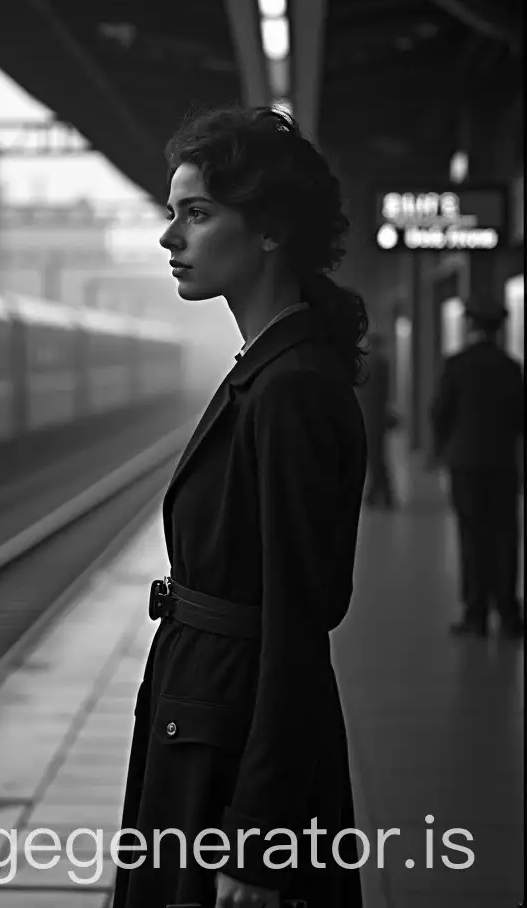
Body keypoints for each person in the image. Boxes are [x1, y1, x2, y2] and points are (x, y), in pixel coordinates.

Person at [113, 106, 367, 908]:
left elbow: (298, 626)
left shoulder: (288, 388)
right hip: (210, 716)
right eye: (172, 214)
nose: (170, 238)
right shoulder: (270, 370)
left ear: (268, 232)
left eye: (197, 214)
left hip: (228, 746)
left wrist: (261, 836)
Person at [430, 297, 524, 639]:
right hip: (502, 463)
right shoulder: (511, 367)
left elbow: (440, 411)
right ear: (499, 329)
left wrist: (441, 449)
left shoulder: (457, 365)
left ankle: (476, 614)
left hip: (465, 462)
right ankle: (509, 614)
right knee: (505, 535)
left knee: (472, 535)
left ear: (470, 326)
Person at [357, 332, 397, 508]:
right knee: (376, 455)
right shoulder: (381, 363)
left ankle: (383, 493)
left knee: (375, 456)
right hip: (376, 415)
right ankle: (376, 492)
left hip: (371, 416)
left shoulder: (372, 364)